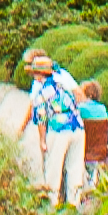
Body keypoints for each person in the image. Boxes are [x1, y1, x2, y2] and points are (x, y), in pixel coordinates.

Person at [10, 46, 88, 201]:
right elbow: (78, 97)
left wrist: (42, 141)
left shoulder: (42, 92)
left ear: (39, 75)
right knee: (74, 170)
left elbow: (41, 118)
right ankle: (74, 207)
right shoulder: (63, 84)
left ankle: (53, 206)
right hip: (78, 128)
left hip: (58, 131)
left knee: (53, 171)